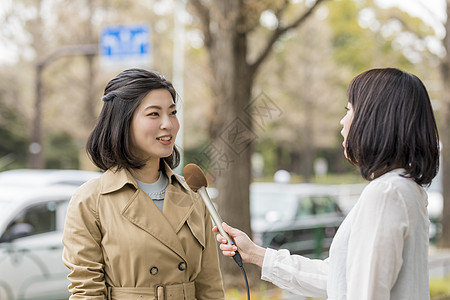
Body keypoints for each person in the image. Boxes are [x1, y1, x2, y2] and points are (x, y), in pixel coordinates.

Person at [214, 67, 440, 300]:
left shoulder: (385, 194)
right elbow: (339, 278)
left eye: (349, 109)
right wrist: (256, 254)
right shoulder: (406, 189)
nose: (342, 122)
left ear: (376, 119)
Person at [62, 68, 225, 300]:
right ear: (123, 122)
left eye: (173, 112)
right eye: (154, 114)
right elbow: (86, 291)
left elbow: (210, 287)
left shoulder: (193, 194)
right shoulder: (91, 200)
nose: (168, 124)